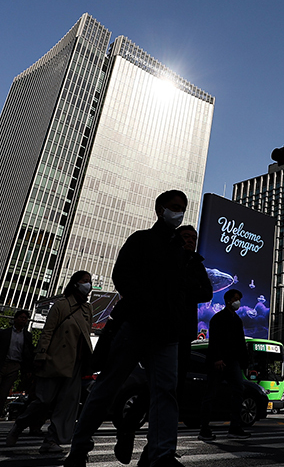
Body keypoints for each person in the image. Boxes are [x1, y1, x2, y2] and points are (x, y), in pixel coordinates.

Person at [65, 190, 210, 467]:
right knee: (108, 386)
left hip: (168, 333)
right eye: (174, 207)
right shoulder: (141, 240)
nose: (178, 213)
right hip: (136, 325)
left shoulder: (183, 254)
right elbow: (121, 276)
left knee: (165, 393)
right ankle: (79, 448)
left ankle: (162, 454)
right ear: (160, 209)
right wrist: (148, 303)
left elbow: (194, 290)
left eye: (182, 208)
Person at [8, 271, 93, 453]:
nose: (89, 285)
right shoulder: (61, 305)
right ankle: (20, 424)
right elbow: (47, 331)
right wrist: (41, 355)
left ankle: (52, 439)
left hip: (76, 363)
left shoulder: (88, 309)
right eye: (85, 281)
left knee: (66, 404)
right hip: (54, 360)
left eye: (90, 281)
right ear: (75, 283)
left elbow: (86, 335)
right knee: (43, 401)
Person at [199, 288, 249, 440]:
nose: (238, 302)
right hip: (218, 362)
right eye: (236, 299)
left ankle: (235, 427)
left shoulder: (237, 320)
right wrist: (217, 358)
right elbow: (214, 341)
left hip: (233, 361)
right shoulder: (218, 318)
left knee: (238, 390)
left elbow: (241, 343)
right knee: (211, 394)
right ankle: (204, 429)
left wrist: (244, 362)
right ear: (228, 300)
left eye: (239, 299)